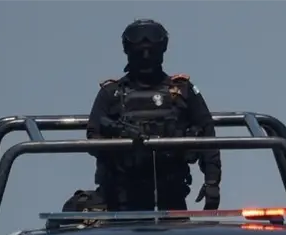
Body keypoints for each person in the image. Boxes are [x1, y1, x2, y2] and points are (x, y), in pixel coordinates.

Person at [81, 18, 222, 212]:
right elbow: (93, 137)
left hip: (172, 194)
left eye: (151, 48)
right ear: (128, 50)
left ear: (162, 49)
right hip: (122, 197)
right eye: (140, 49)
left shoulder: (182, 90)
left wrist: (212, 182)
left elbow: (207, 134)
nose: (146, 54)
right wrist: (122, 141)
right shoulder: (111, 93)